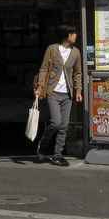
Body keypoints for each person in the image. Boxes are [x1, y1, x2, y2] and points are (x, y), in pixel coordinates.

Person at [33, 24, 83, 166]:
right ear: (65, 35)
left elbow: (77, 73)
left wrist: (78, 91)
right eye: (72, 33)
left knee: (64, 126)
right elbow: (44, 68)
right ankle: (43, 145)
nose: (75, 35)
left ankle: (57, 155)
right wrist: (40, 87)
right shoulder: (52, 49)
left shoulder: (76, 52)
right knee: (56, 123)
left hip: (67, 94)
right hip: (53, 92)